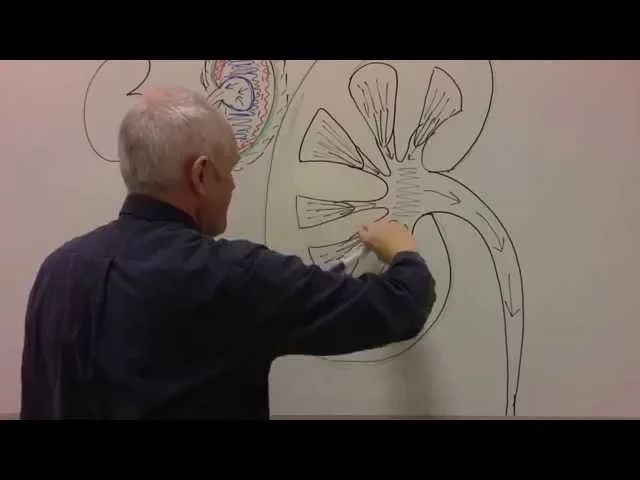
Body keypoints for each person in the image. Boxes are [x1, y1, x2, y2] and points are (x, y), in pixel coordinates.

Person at [20, 86, 437, 420]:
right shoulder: (231, 276)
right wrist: (403, 252)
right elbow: (400, 305)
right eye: (230, 170)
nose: (234, 186)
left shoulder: (57, 271)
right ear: (201, 174)